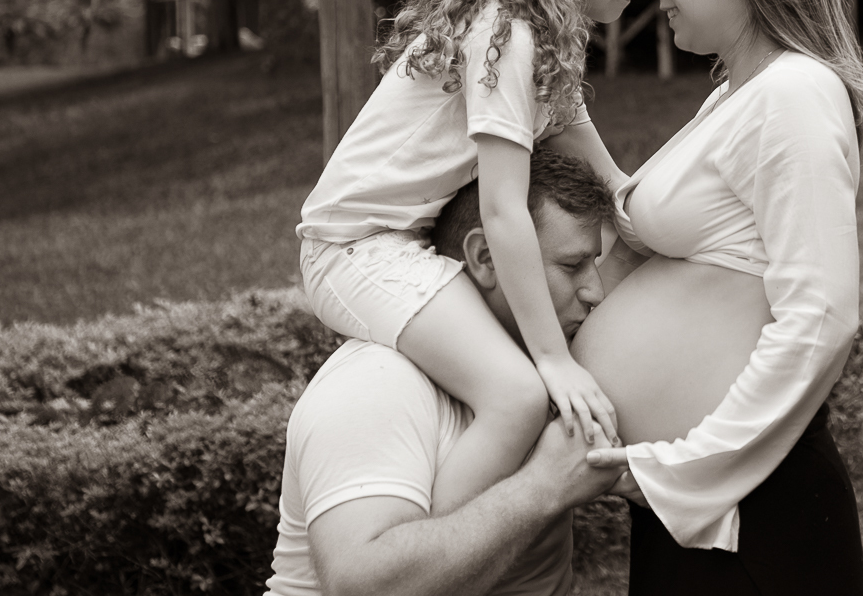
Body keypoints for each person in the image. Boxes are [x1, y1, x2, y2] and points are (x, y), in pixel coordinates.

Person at [295, 0, 647, 517]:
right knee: (517, 394)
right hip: (352, 248)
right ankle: (428, 564)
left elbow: (590, 151)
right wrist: (553, 359)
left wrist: (642, 206)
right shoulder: (506, 33)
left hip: (403, 244)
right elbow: (504, 210)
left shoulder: (539, 32)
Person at [571, 0, 863, 594]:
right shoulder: (738, 94)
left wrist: (689, 469)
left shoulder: (794, 94)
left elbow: (822, 318)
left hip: (754, 509)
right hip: (708, 506)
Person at [268, 149, 633, 596]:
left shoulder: (557, 367)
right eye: (572, 266)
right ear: (485, 257)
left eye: (594, 264)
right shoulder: (377, 383)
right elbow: (366, 587)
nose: (594, 291)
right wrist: (545, 486)